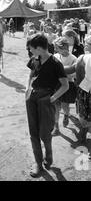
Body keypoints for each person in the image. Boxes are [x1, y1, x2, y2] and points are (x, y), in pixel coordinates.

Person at [25, 34, 69, 177]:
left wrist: (52, 98)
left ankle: (48, 157)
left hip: (46, 99)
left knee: (45, 132)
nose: (30, 51)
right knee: (33, 132)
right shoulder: (34, 59)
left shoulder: (56, 63)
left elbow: (65, 85)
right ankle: (38, 163)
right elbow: (31, 74)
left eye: (31, 48)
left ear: (38, 48)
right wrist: (27, 88)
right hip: (31, 98)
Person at [64, 35, 91, 143]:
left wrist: (56, 65)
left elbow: (70, 70)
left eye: (86, 44)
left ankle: (83, 132)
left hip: (85, 91)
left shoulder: (82, 58)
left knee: (84, 114)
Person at [52, 37, 77, 136]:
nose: (55, 50)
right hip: (56, 84)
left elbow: (75, 74)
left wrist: (65, 73)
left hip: (68, 84)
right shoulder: (55, 56)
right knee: (56, 106)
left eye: (57, 48)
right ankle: (56, 126)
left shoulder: (73, 58)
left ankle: (66, 115)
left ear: (64, 47)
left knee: (64, 105)